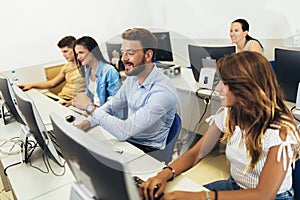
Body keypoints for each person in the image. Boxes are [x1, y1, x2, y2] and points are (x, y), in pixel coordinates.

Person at [140, 51, 300, 200]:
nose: (217, 88)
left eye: (225, 83)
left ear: (246, 88)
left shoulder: (280, 132)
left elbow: (264, 194)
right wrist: (165, 174)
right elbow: (196, 154)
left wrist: (203, 197)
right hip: (235, 186)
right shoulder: (229, 114)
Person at [74, 28, 178, 152]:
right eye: (123, 52)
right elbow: (112, 106)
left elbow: (125, 131)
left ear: (148, 55)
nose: (123, 58)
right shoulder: (133, 79)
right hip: (129, 141)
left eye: (130, 53)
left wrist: (90, 108)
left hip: (148, 151)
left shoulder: (163, 93)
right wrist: (87, 123)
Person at [18, 36, 86, 107]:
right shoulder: (67, 67)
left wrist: (72, 102)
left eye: (66, 51)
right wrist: (31, 85)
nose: (63, 55)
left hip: (72, 102)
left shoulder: (87, 67)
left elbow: (92, 92)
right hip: (61, 98)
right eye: (62, 52)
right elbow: (52, 83)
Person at [71, 36, 120, 110]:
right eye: (77, 54)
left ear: (92, 52)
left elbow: (114, 101)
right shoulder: (88, 71)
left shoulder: (109, 70)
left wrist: (92, 110)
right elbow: (89, 94)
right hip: (95, 111)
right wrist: (73, 102)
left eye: (81, 53)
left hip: (107, 115)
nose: (78, 57)